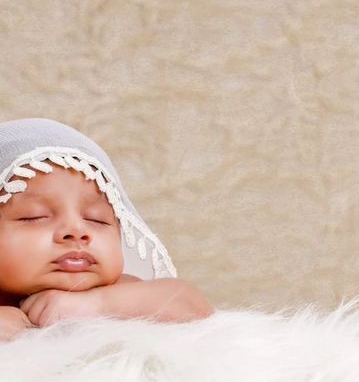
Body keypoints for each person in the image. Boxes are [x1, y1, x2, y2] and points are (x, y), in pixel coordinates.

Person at [0, 118, 214, 341]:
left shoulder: (112, 290)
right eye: (35, 216)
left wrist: (97, 304)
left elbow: (193, 307)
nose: (77, 231)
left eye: (97, 220)